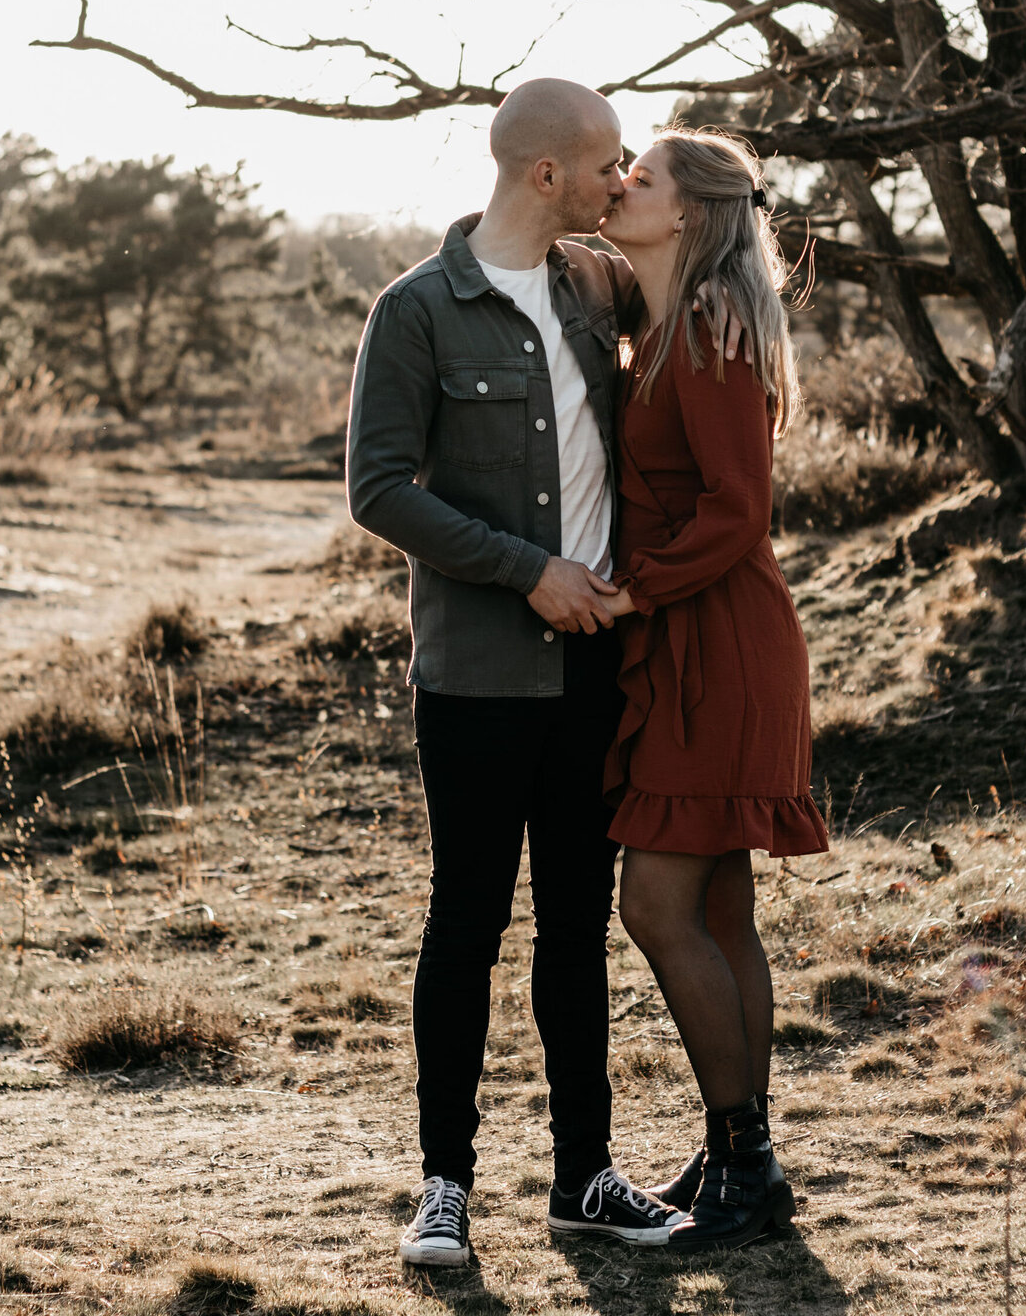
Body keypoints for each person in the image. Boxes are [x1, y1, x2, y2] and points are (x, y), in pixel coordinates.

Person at [347, 79, 712, 1265]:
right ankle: (444, 1186)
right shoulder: (416, 312)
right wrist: (527, 570)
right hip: (474, 674)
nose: (623, 180)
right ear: (547, 173)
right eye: (608, 163)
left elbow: (697, 320)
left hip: (595, 674)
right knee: (466, 926)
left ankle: (584, 1181)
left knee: (576, 930)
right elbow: (380, 488)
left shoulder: (595, 286)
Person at [595, 127, 829, 1252]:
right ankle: (742, 1157)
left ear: (687, 211)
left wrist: (633, 593)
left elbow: (740, 510)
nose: (618, 184)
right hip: (698, 637)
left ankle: (748, 1165)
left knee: (657, 907)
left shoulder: (711, 338)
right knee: (720, 909)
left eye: (639, 177)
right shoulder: (664, 329)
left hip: (719, 643)